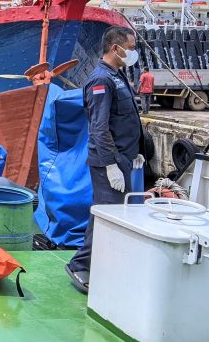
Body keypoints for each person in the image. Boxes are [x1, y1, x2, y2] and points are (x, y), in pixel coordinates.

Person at [65, 26, 145, 295]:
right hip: (108, 162)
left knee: (113, 213)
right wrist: (111, 164)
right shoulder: (101, 79)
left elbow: (126, 118)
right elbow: (99, 127)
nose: (133, 53)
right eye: (131, 47)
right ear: (116, 48)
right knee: (105, 214)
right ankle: (79, 264)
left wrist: (137, 151)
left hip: (124, 158)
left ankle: (105, 264)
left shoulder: (117, 75)